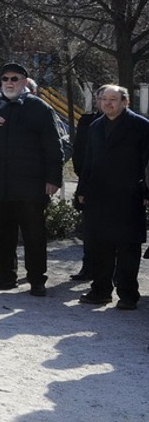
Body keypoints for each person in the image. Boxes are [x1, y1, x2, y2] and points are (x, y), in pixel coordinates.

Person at [0, 62, 63, 297]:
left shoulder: (39, 108)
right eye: (5, 79)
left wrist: (53, 179)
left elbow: (54, 146)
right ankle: (5, 276)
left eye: (14, 78)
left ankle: (36, 280)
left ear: (24, 81)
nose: (9, 83)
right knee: (0, 233)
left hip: (30, 186)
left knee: (34, 234)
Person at [76, 85, 149, 309]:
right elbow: (88, 161)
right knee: (99, 247)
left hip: (129, 196)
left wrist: (147, 192)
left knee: (128, 248)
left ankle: (127, 295)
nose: (108, 103)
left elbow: (148, 162)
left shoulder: (141, 126)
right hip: (99, 196)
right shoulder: (95, 126)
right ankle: (100, 291)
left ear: (125, 102)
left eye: (114, 99)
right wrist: (82, 189)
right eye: (104, 99)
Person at [69, 85, 108, 281]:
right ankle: (88, 267)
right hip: (90, 182)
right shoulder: (87, 122)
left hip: (117, 187)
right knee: (90, 229)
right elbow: (79, 151)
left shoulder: (132, 123)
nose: (105, 102)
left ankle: (111, 271)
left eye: (110, 98)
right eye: (101, 98)